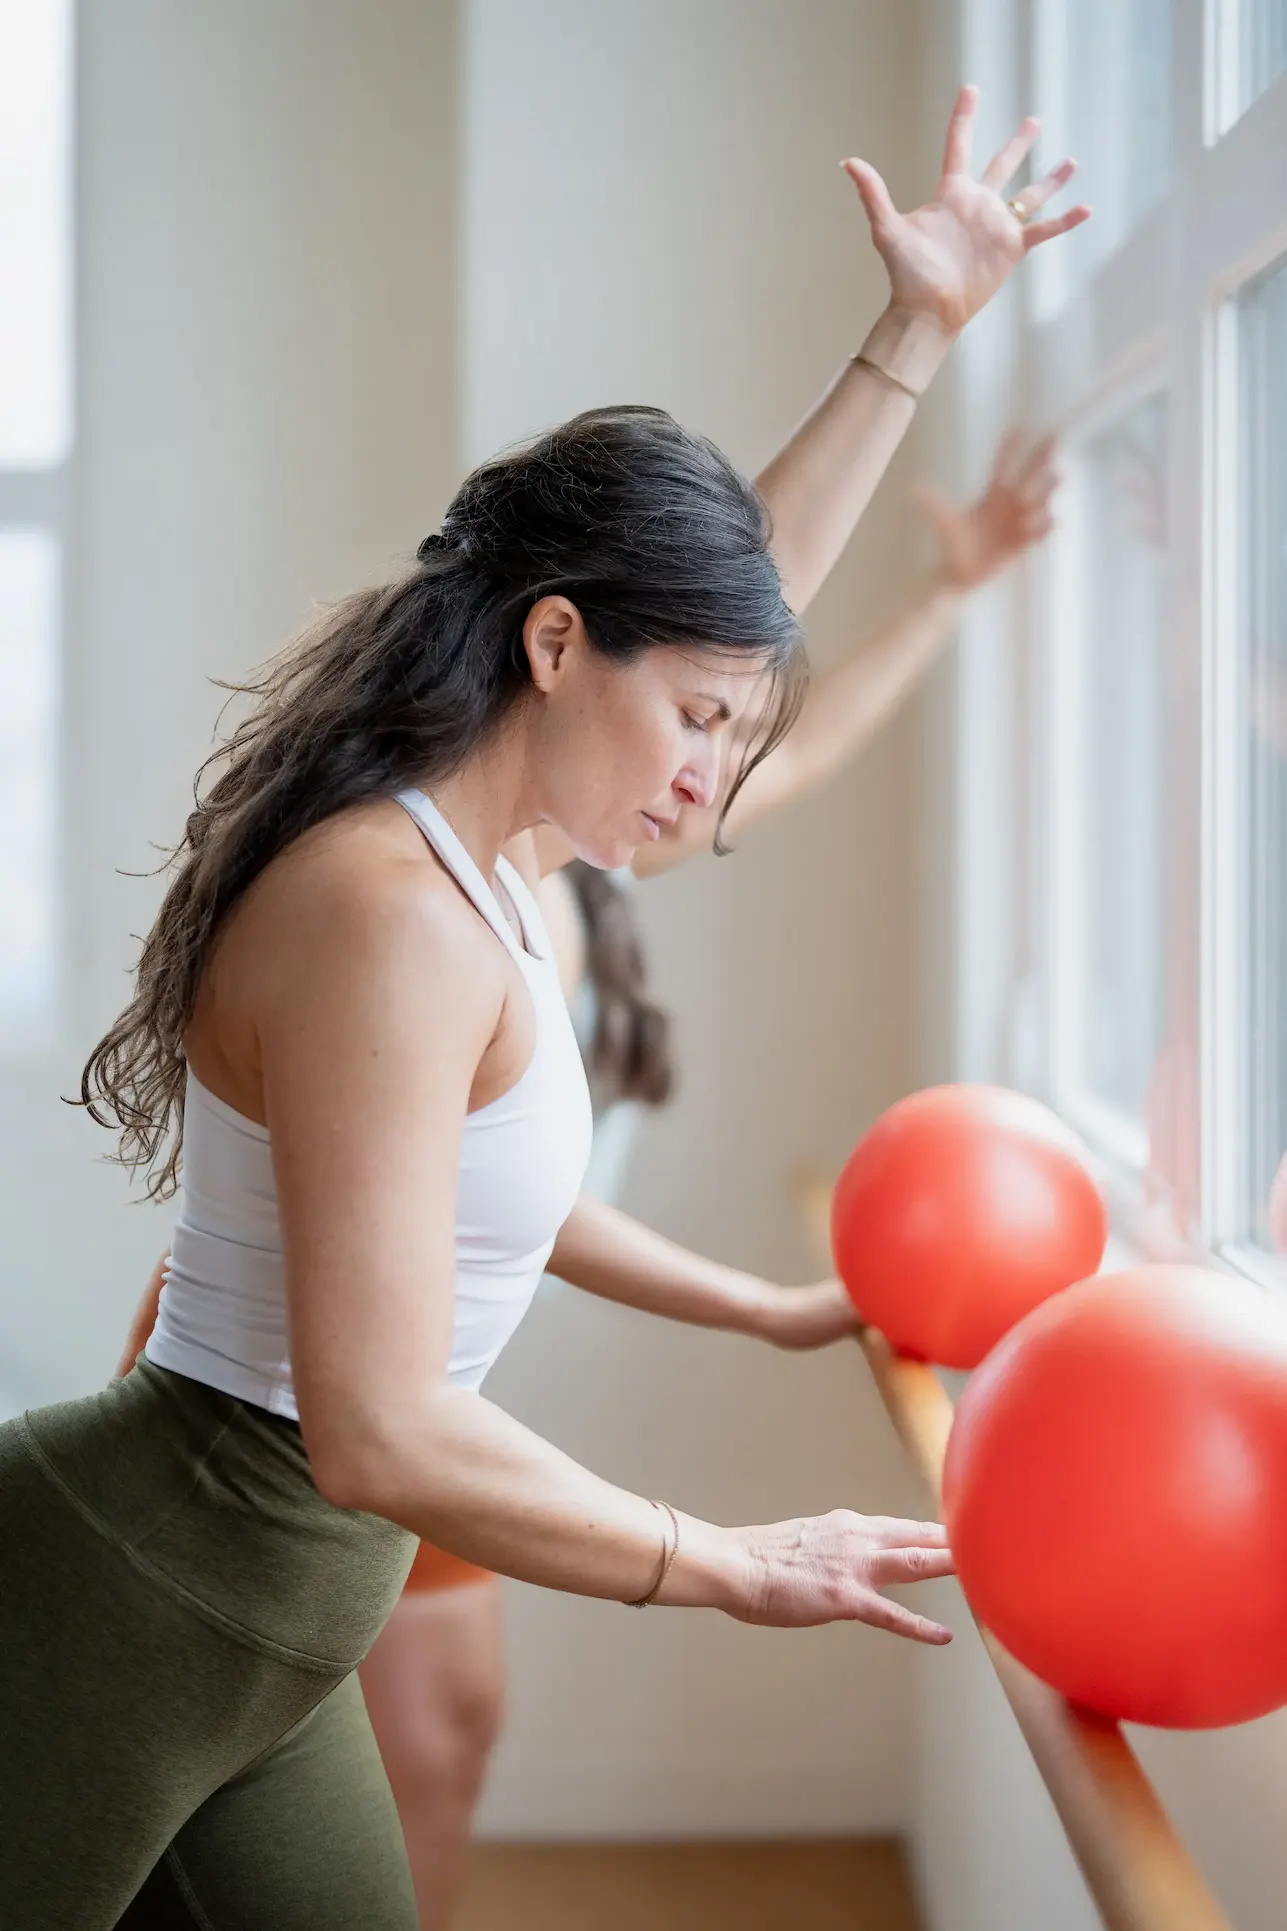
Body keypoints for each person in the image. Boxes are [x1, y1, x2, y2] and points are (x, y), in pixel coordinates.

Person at [5, 87, 1087, 1928]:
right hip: (131, 1590)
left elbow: (724, 613)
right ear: (556, 644)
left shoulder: (507, 863)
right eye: (693, 728)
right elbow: (378, 1431)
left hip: (275, 1639)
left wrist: (911, 334)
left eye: (728, 738)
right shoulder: (391, 911)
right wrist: (732, 1559)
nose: (708, 780)